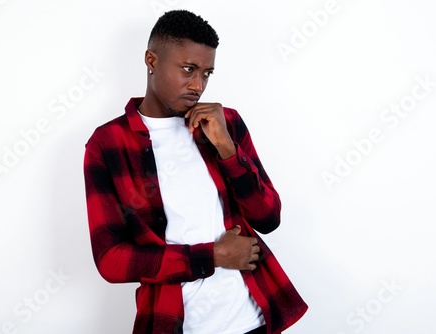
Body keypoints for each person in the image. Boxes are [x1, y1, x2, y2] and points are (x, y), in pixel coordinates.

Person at [84, 10, 307, 334]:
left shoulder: (225, 123)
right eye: (188, 69)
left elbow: (268, 218)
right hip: (174, 322)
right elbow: (111, 259)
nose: (197, 85)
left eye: (207, 73)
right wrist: (211, 256)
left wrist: (228, 150)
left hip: (252, 318)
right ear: (151, 60)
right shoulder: (108, 145)